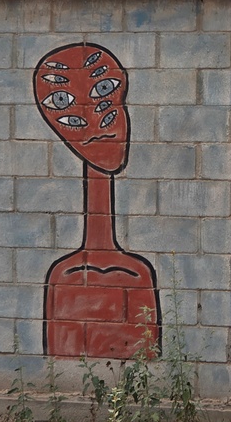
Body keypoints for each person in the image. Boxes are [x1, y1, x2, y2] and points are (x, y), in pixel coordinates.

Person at [35, 42, 160, 359]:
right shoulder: (67, 279)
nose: (97, 122)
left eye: (105, 87)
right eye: (61, 100)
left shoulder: (135, 276)